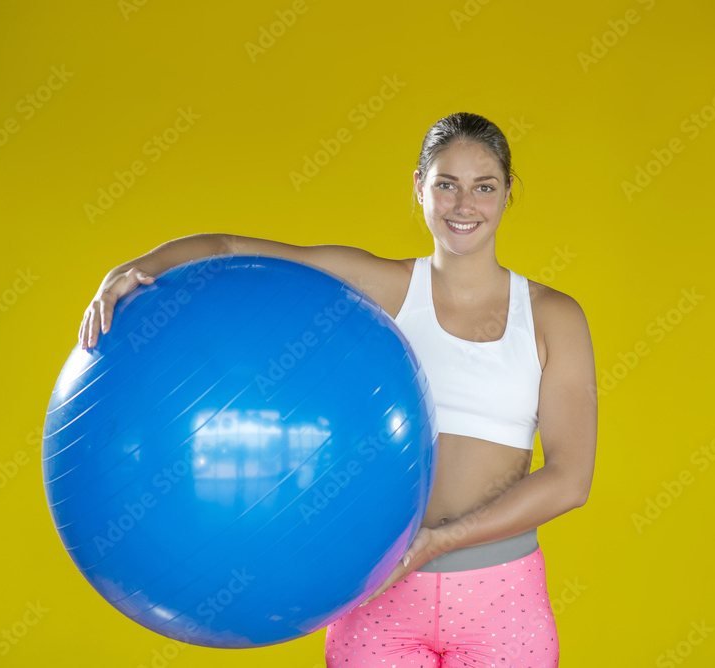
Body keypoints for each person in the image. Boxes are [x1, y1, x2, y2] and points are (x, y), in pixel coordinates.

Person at [78, 112, 597, 667]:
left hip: (500, 599)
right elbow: (232, 248)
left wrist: (441, 540)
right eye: (446, 185)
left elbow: (570, 480)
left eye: (483, 187)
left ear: (508, 193)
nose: (463, 205)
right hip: (376, 596)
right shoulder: (384, 288)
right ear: (419, 187)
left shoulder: (552, 317)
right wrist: (136, 268)